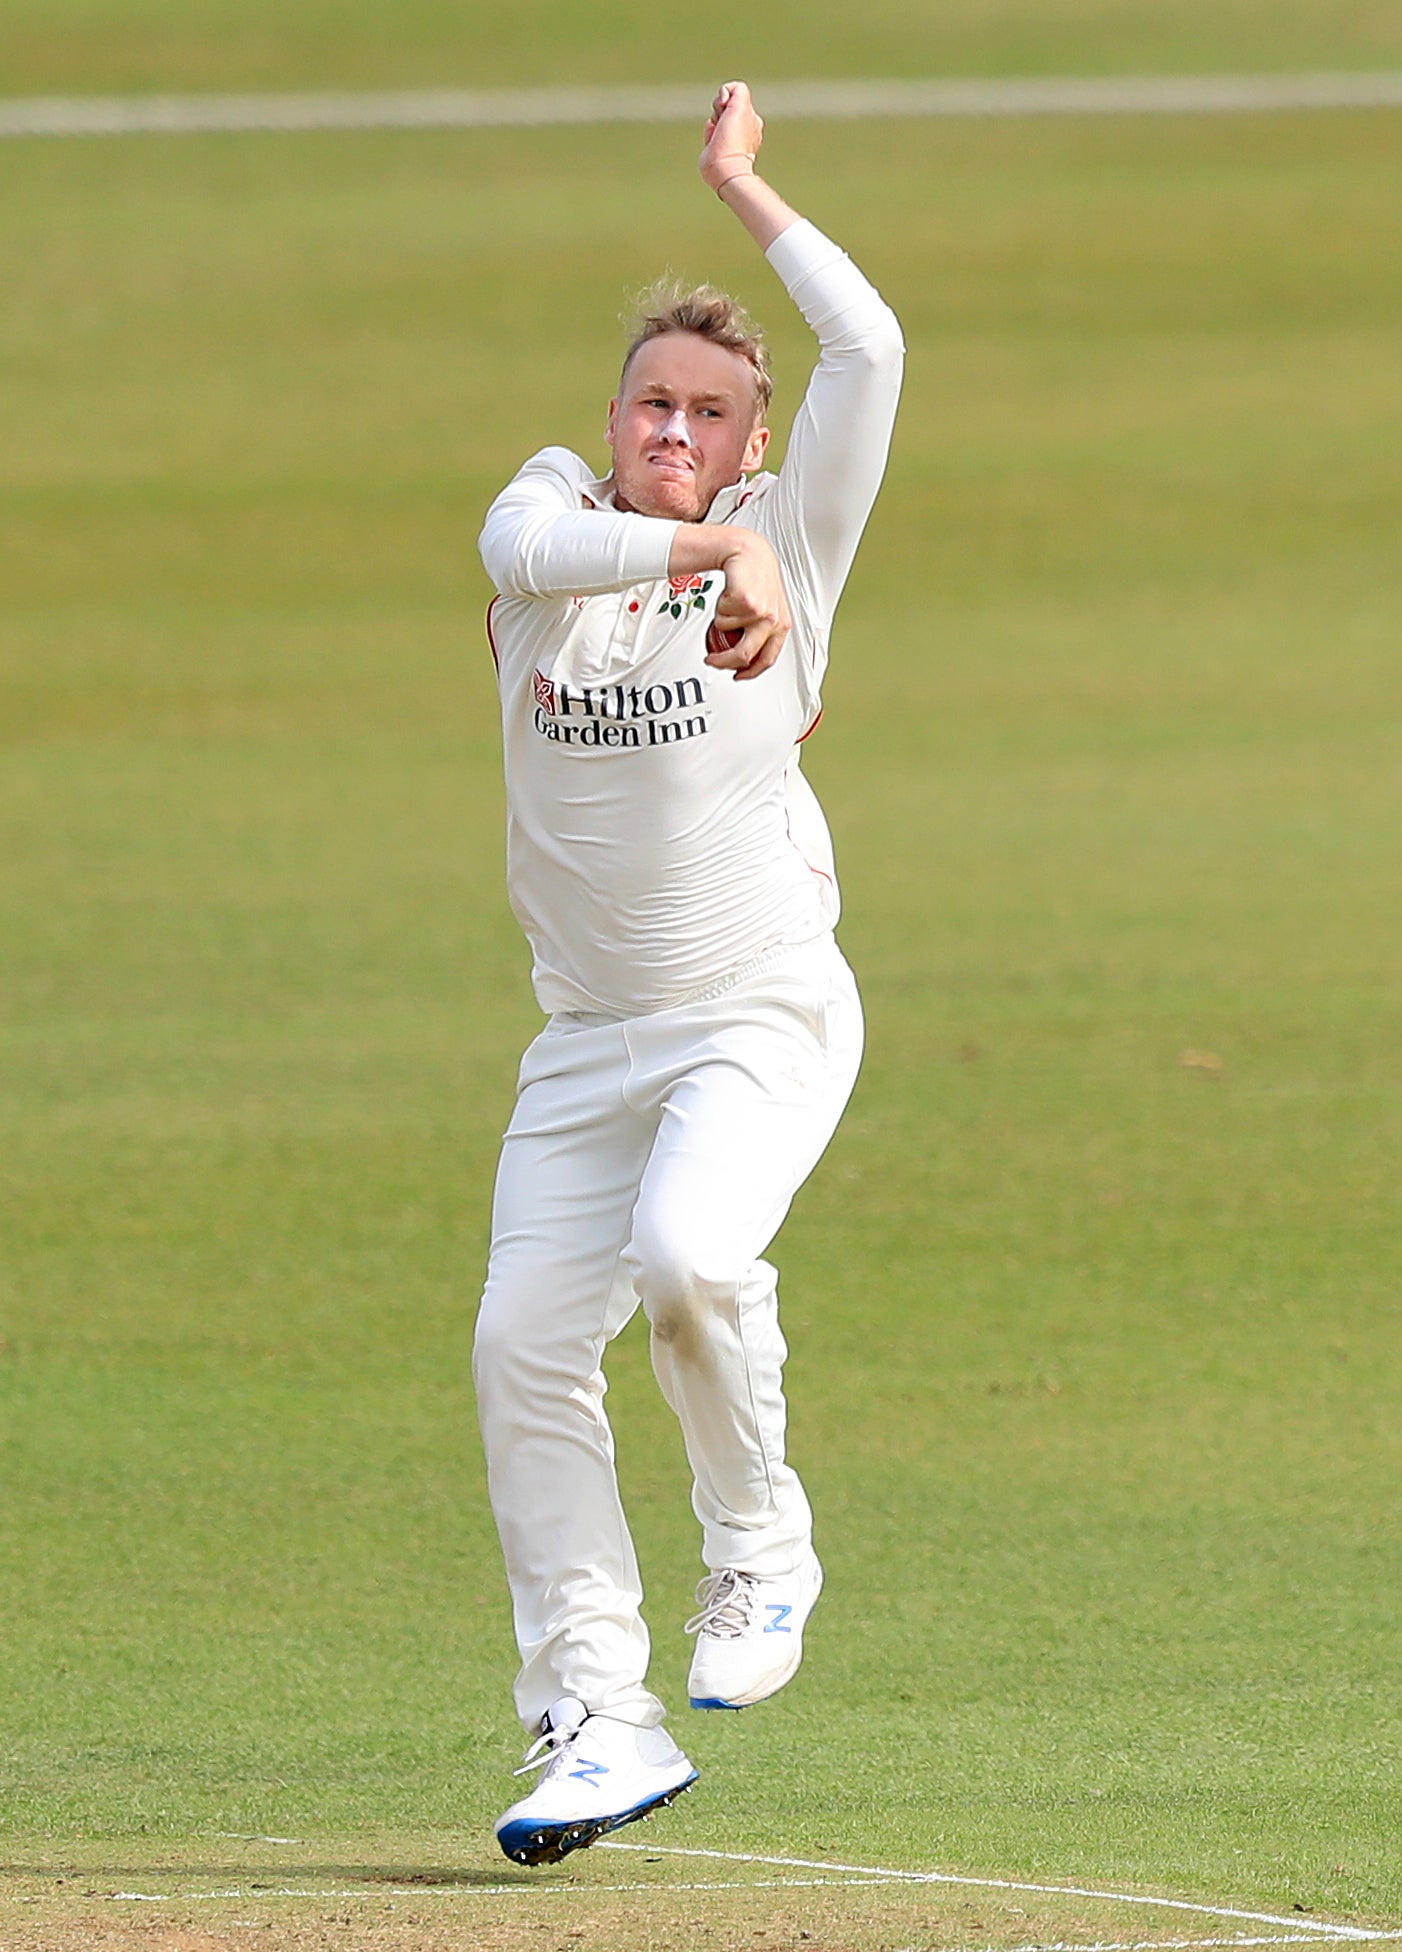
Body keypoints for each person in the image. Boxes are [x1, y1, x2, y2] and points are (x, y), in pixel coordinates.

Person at [474, 80, 904, 1866]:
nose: (672, 425)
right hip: (584, 1044)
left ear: (752, 439)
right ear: (613, 419)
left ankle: (760, 1551)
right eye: (651, 400)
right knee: (516, 1352)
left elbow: (869, 347)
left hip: (757, 1012)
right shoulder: (549, 527)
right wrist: (712, 546)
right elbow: (523, 546)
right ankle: (596, 1711)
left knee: (687, 1259)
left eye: (709, 414)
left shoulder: (796, 538)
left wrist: (744, 191)